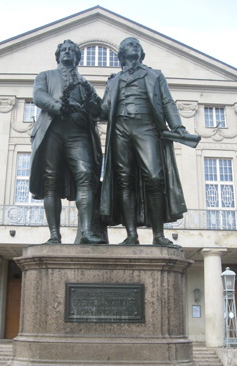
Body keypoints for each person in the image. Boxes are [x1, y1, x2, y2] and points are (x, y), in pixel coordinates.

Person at [100, 37, 188, 246]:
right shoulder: (113, 80)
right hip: (121, 128)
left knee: (155, 177)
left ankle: (158, 235)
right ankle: (131, 235)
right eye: (130, 45)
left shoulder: (154, 75)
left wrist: (177, 125)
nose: (135, 47)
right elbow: (104, 110)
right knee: (124, 180)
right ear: (121, 54)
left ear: (141, 53)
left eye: (137, 45)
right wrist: (85, 105)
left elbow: (167, 102)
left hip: (146, 126)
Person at [29, 40, 105, 244]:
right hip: (52, 129)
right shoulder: (45, 75)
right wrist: (57, 106)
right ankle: (54, 234)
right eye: (63, 50)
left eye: (71, 50)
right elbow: (38, 96)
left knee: (85, 175)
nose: (67, 52)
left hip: (78, 132)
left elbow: (99, 111)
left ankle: (87, 232)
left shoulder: (85, 83)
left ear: (77, 57)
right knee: (50, 180)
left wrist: (93, 105)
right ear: (58, 55)